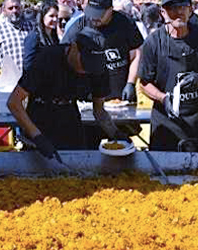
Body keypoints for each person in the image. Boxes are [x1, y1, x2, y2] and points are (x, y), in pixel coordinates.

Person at [7, 27, 122, 155]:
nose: (85, 70)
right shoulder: (47, 58)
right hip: (40, 115)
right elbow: (14, 102)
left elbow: (99, 111)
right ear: (74, 47)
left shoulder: (98, 69)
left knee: (76, 163)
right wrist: (37, 137)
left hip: (70, 117)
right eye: (84, 63)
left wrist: (116, 134)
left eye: (90, 67)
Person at [139, 0, 198, 152]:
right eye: (172, 8)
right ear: (163, 13)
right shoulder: (153, 42)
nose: (178, 12)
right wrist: (163, 99)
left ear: (190, 9)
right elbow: (144, 83)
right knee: (164, 166)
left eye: (182, 7)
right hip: (166, 123)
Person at [62, 0, 144, 102]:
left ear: (110, 10)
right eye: (92, 12)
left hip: (120, 94)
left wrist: (131, 83)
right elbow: (64, 55)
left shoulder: (124, 23)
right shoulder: (79, 26)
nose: (94, 18)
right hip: (89, 95)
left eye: (99, 14)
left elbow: (137, 53)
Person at [23, 0, 61, 72]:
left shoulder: (54, 37)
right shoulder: (34, 37)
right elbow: (28, 65)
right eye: (51, 16)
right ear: (42, 17)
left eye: (57, 16)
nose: (55, 19)